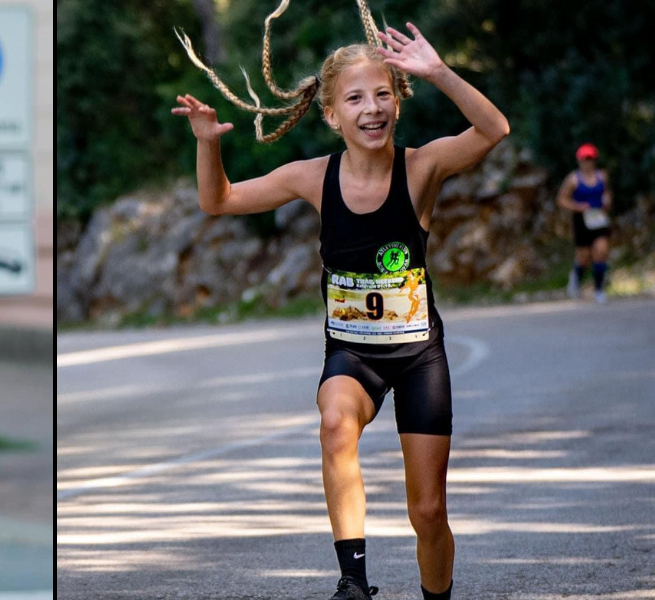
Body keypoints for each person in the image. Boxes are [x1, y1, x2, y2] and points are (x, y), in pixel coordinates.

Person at [171, 1, 508, 599]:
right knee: (334, 424)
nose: (371, 108)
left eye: (382, 95)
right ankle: (353, 581)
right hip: (353, 355)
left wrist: (439, 71)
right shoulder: (310, 177)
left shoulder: (423, 167)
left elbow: (494, 130)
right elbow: (217, 200)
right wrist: (206, 144)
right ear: (332, 113)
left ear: (397, 102)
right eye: (354, 99)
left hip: (418, 357)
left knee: (427, 513)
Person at [556, 143, 612, 304]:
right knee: (584, 257)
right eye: (585, 159)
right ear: (580, 160)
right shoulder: (573, 179)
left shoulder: (602, 176)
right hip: (582, 220)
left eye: (591, 159)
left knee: (601, 251)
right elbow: (561, 199)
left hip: (599, 218)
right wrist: (578, 207)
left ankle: (599, 289)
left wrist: (607, 200)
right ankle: (576, 279)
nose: (588, 162)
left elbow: (607, 193)